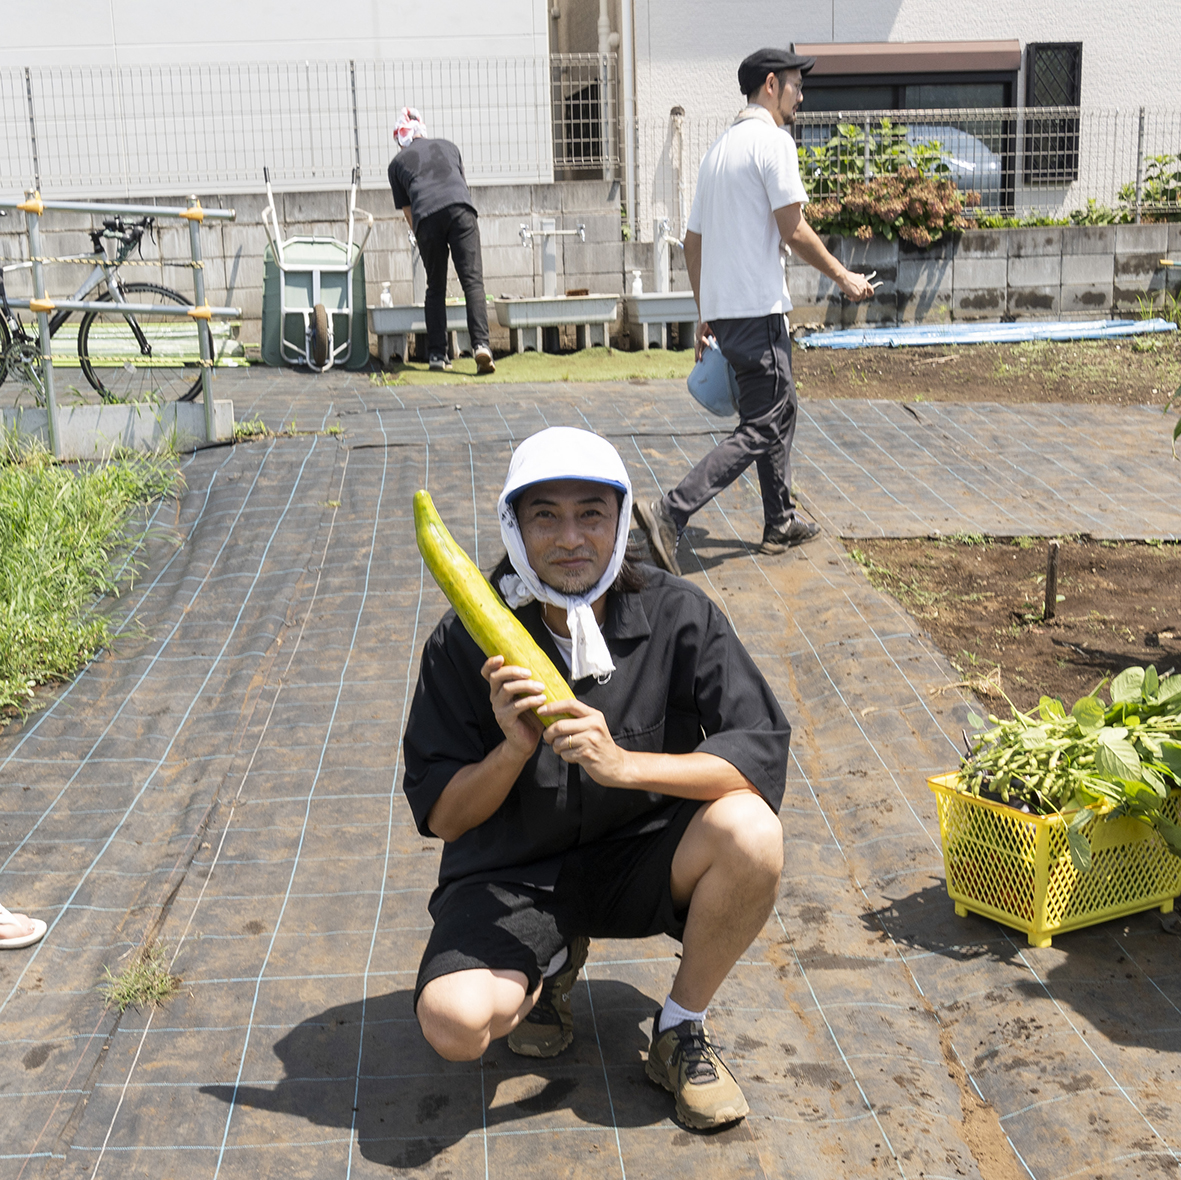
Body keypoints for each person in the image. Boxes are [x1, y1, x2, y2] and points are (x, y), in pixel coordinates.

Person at [402, 426, 791, 1130]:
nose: (571, 536)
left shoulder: (680, 614)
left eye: (591, 513)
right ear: (513, 526)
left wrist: (622, 765)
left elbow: (757, 753)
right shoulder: (462, 640)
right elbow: (445, 818)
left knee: (751, 830)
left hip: (640, 858)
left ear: (621, 520)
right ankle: (544, 967)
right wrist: (511, 751)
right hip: (510, 874)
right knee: (453, 1025)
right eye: (543, 514)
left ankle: (678, 1028)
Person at [633, 48, 875, 576]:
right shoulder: (773, 142)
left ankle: (780, 520)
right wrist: (843, 275)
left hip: (729, 315)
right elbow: (793, 227)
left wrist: (705, 311)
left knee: (778, 413)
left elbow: (692, 243)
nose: (801, 96)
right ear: (771, 84)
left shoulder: (718, 151)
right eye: (795, 85)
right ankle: (669, 513)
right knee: (764, 422)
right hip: (760, 313)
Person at [387, 107, 496, 375]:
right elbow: (459, 184)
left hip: (427, 217)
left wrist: (421, 236)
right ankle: (481, 345)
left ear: (401, 138)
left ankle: (437, 354)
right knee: (472, 281)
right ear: (422, 129)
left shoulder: (397, 164)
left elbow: (409, 212)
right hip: (461, 208)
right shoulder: (449, 147)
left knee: (435, 286)